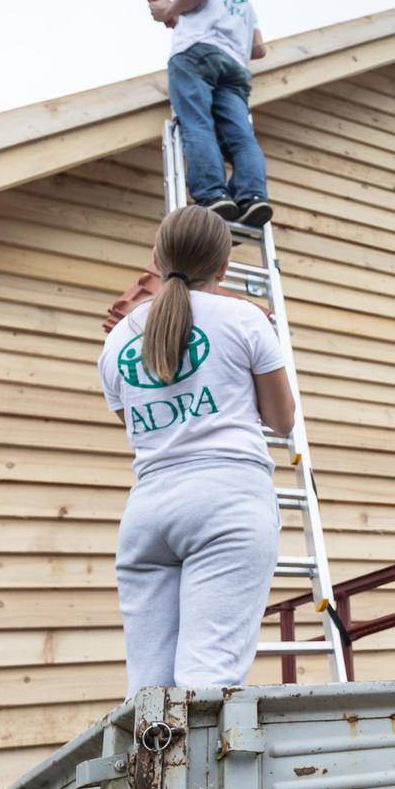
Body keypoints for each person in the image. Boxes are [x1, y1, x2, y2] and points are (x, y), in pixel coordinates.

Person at [98, 205, 295, 693]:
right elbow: (281, 419)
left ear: (156, 258)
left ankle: (148, 771)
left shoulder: (117, 342)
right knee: (205, 684)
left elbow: (140, 430)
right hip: (226, 501)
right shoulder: (245, 319)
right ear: (224, 267)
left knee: (150, 692)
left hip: (148, 513)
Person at [146, 0, 274, 227]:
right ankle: (252, 196)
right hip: (234, 68)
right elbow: (258, 49)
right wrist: (183, 14)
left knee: (197, 122)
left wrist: (168, 10)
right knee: (242, 137)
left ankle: (214, 194)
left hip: (196, 56)